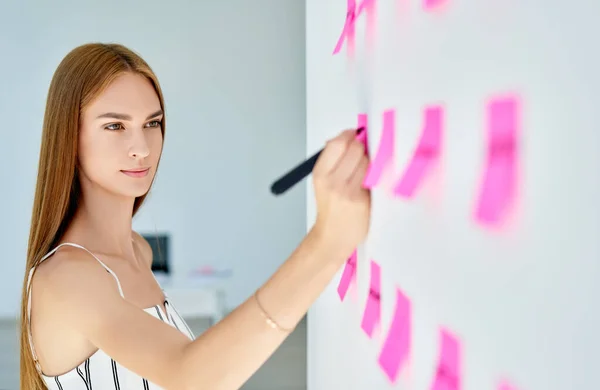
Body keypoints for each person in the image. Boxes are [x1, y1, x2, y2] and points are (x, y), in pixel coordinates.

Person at [20, 42, 371, 390]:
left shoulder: (137, 250)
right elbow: (187, 375)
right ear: (69, 135)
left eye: (152, 123)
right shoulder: (66, 277)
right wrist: (327, 243)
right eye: (115, 126)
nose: (142, 148)